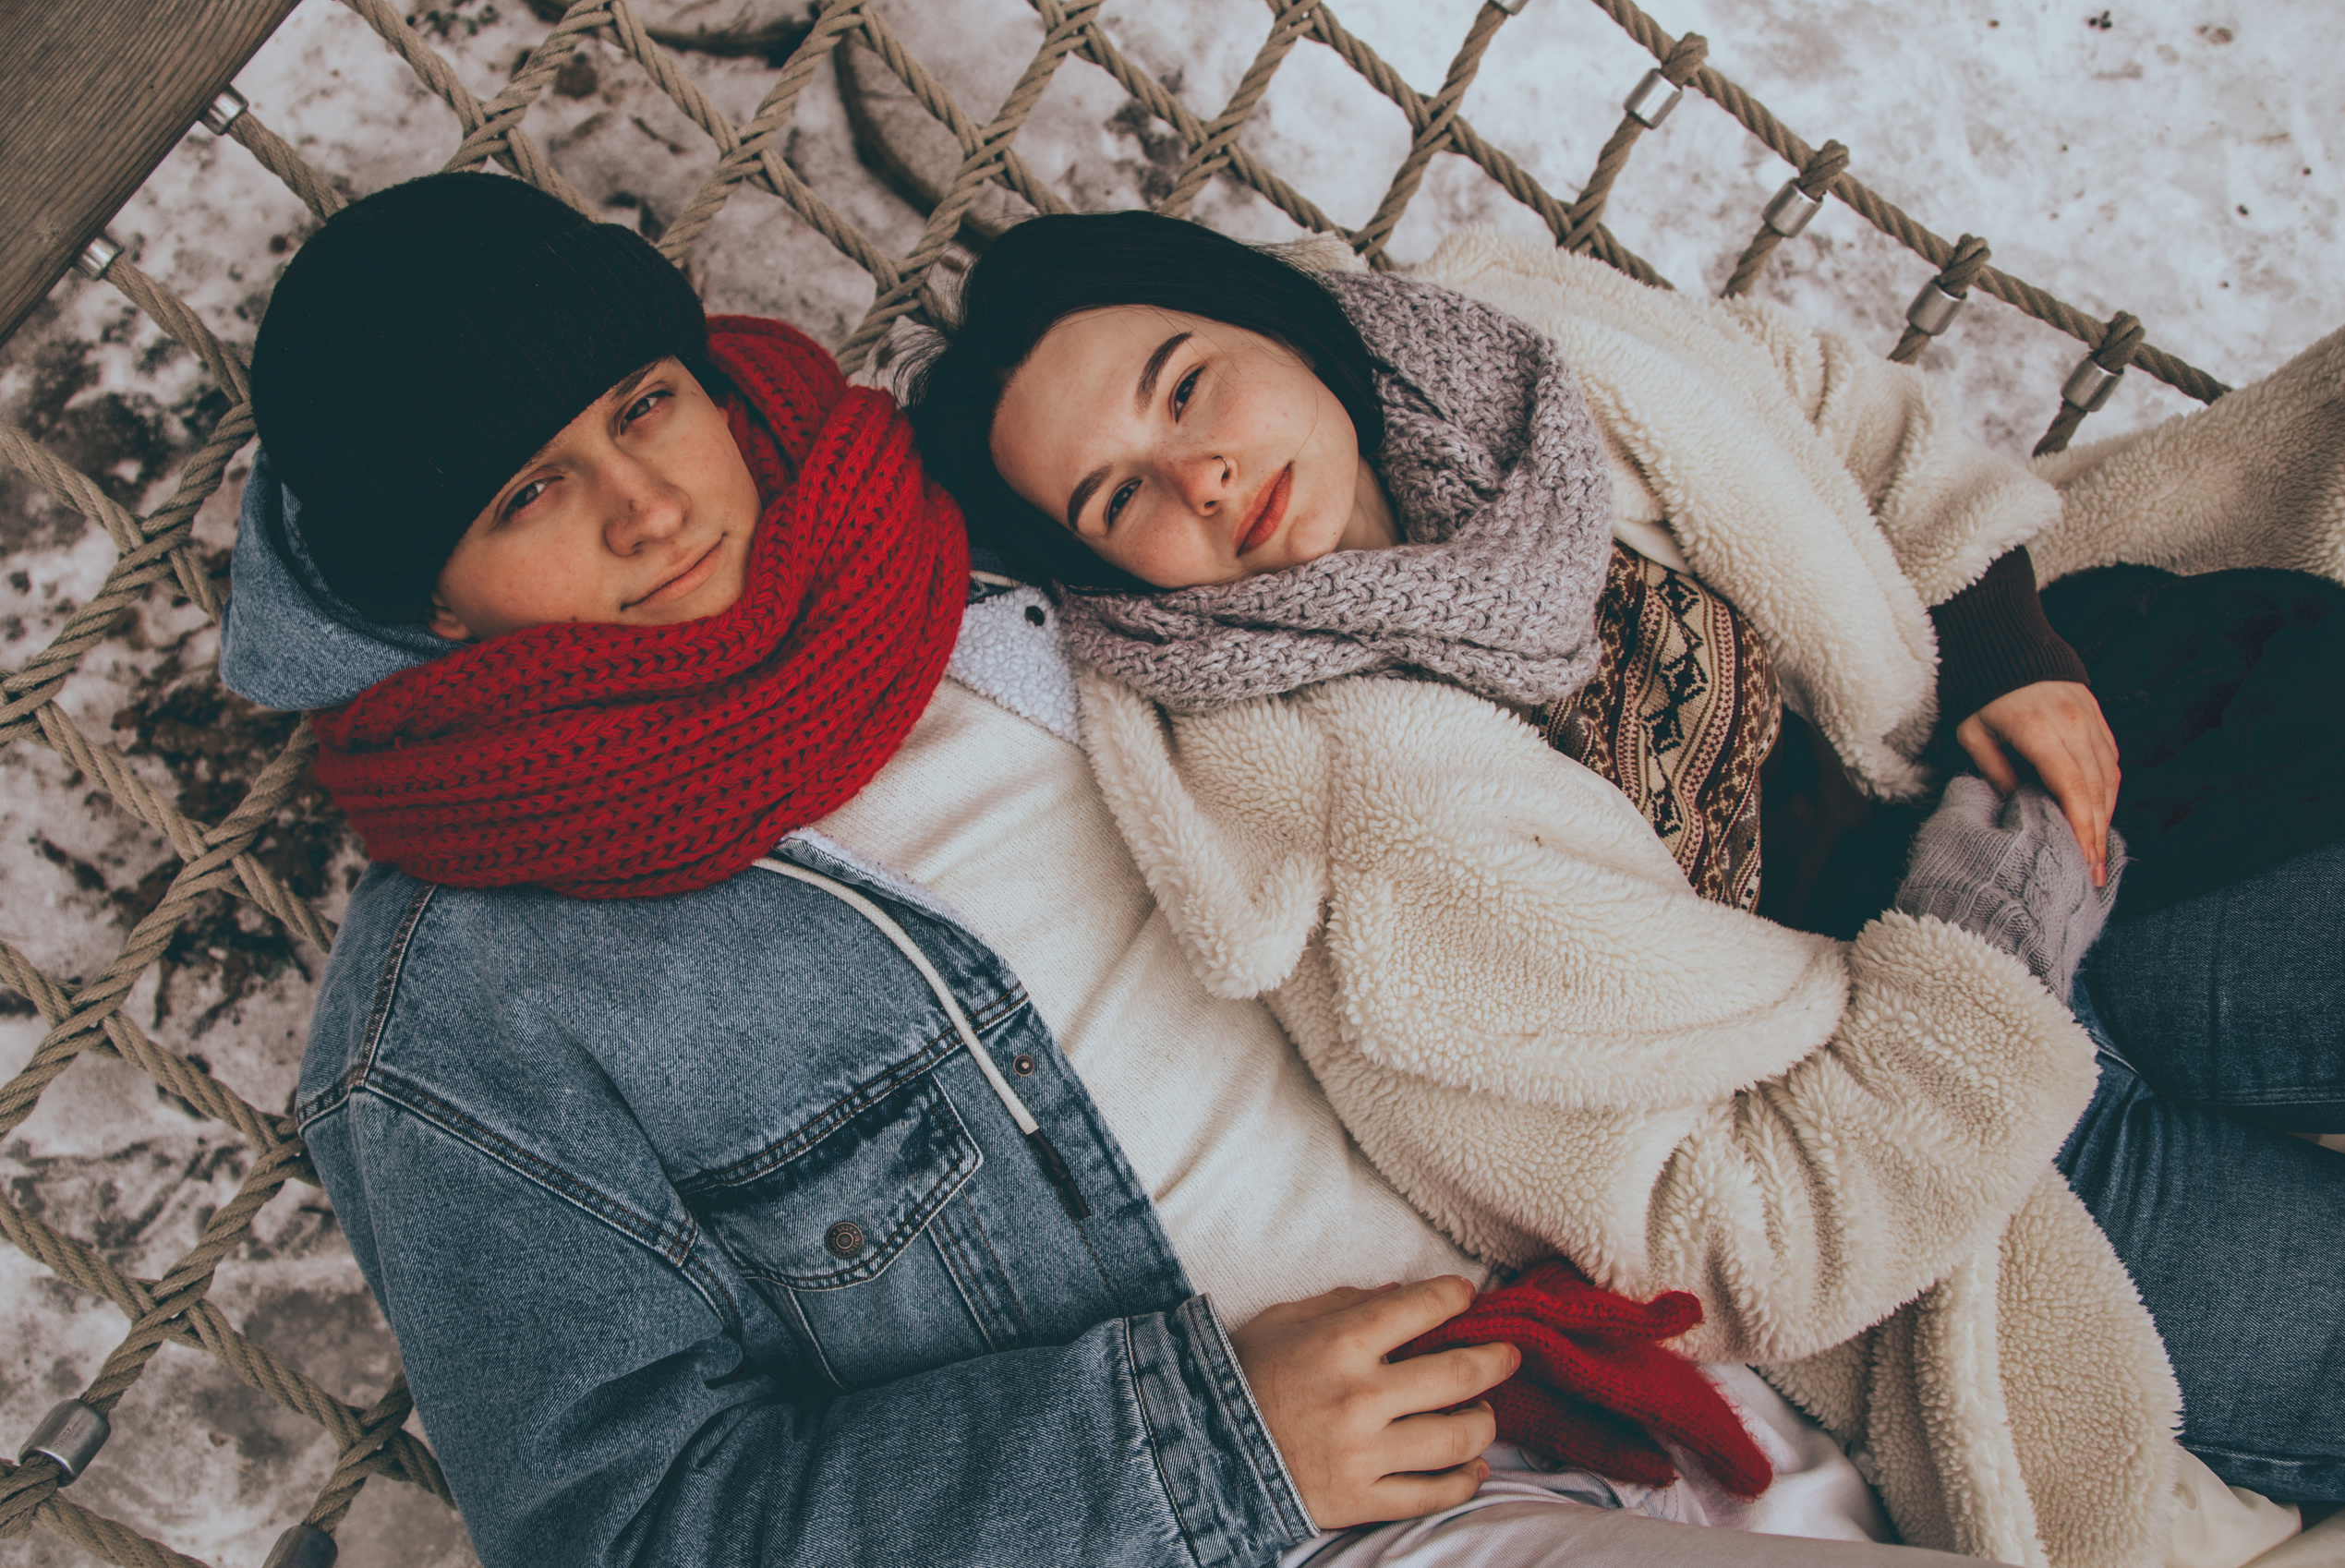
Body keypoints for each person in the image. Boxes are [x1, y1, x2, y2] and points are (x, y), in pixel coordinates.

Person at [223, 173, 2007, 1568]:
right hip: (1324, 1528)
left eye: (642, 404)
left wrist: (1987, 644)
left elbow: (1438, 458)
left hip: (1708, 1324)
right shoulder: (456, 1026)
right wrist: (1202, 1445)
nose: (649, 508)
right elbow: (635, 1528)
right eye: (527, 496)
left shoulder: (981, 551)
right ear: (427, 603)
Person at [899, 211, 2345, 1557]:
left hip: (2080, 808)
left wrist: (2005, 654)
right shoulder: (1345, 843)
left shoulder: (1516, 350)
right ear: (1108, 587)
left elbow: (1827, 399)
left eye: (1185, 384)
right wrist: (1989, 929)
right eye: (1118, 496)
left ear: (1273, 318)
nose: (1201, 477)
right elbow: (1723, 1241)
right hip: (1973, 1158)